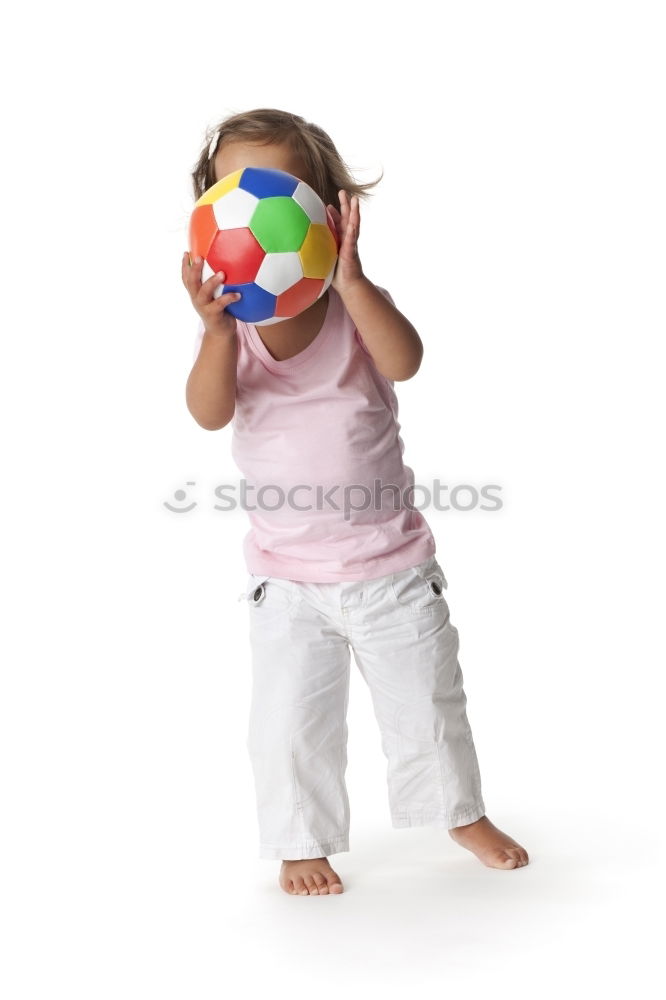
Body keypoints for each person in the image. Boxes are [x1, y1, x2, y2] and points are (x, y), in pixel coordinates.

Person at [182, 108, 529, 896]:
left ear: (330, 209)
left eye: (283, 188)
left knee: (429, 703)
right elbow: (208, 412)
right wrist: (207, 332)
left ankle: (458, 811)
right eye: (234, 191)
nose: (255, 208)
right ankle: (302, 841)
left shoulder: (353, 304)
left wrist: (354, 279)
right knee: (288, 728)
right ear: (211, 216)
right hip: (287, 580)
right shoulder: (232, 329)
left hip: (390, 566)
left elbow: (404, 362)